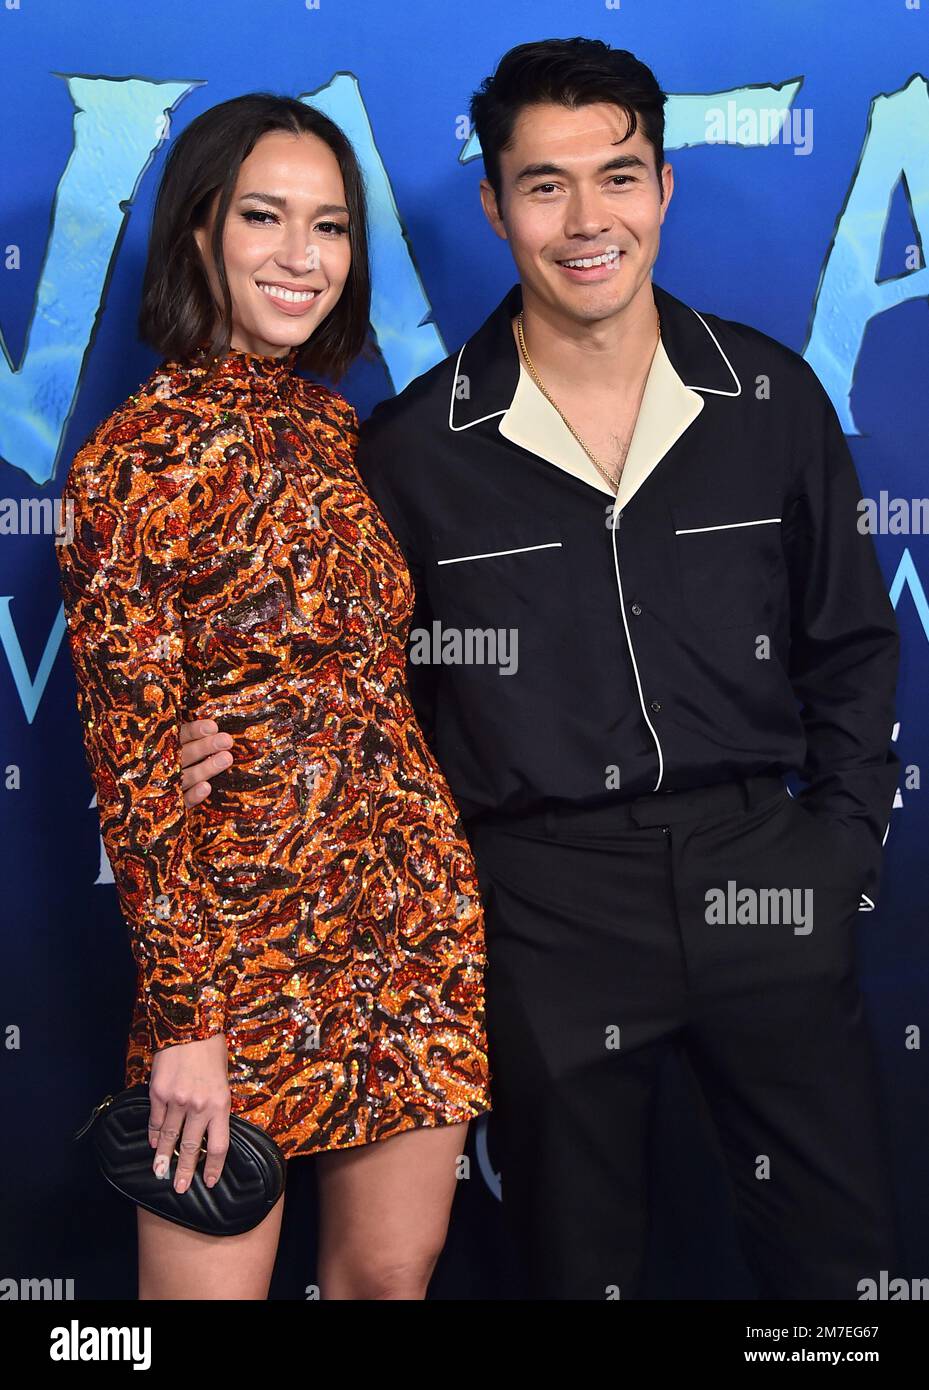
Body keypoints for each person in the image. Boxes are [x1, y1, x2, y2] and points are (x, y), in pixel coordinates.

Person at [179, 40, 902, 1299]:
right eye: (543, 185)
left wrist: (836, 846)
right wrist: (243, 739)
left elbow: (849, 645)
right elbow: (358, 689)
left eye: (615, 177)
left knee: (836, 1268)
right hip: (541, 909)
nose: (586, 221)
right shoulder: (411, 451)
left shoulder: (770, 400)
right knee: (577, 1268)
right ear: (493, 206)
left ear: (663, 189)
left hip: (763, 881)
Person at [56, 92, 490, 1301]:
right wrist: (187, 1019)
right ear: (199, 231)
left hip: (406, 916)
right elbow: (137, 769)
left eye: (331, 226)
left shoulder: (347, 432)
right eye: (264, 217)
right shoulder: (130, 465)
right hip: (236, 942)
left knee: (390, 1275)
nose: (303, 256)